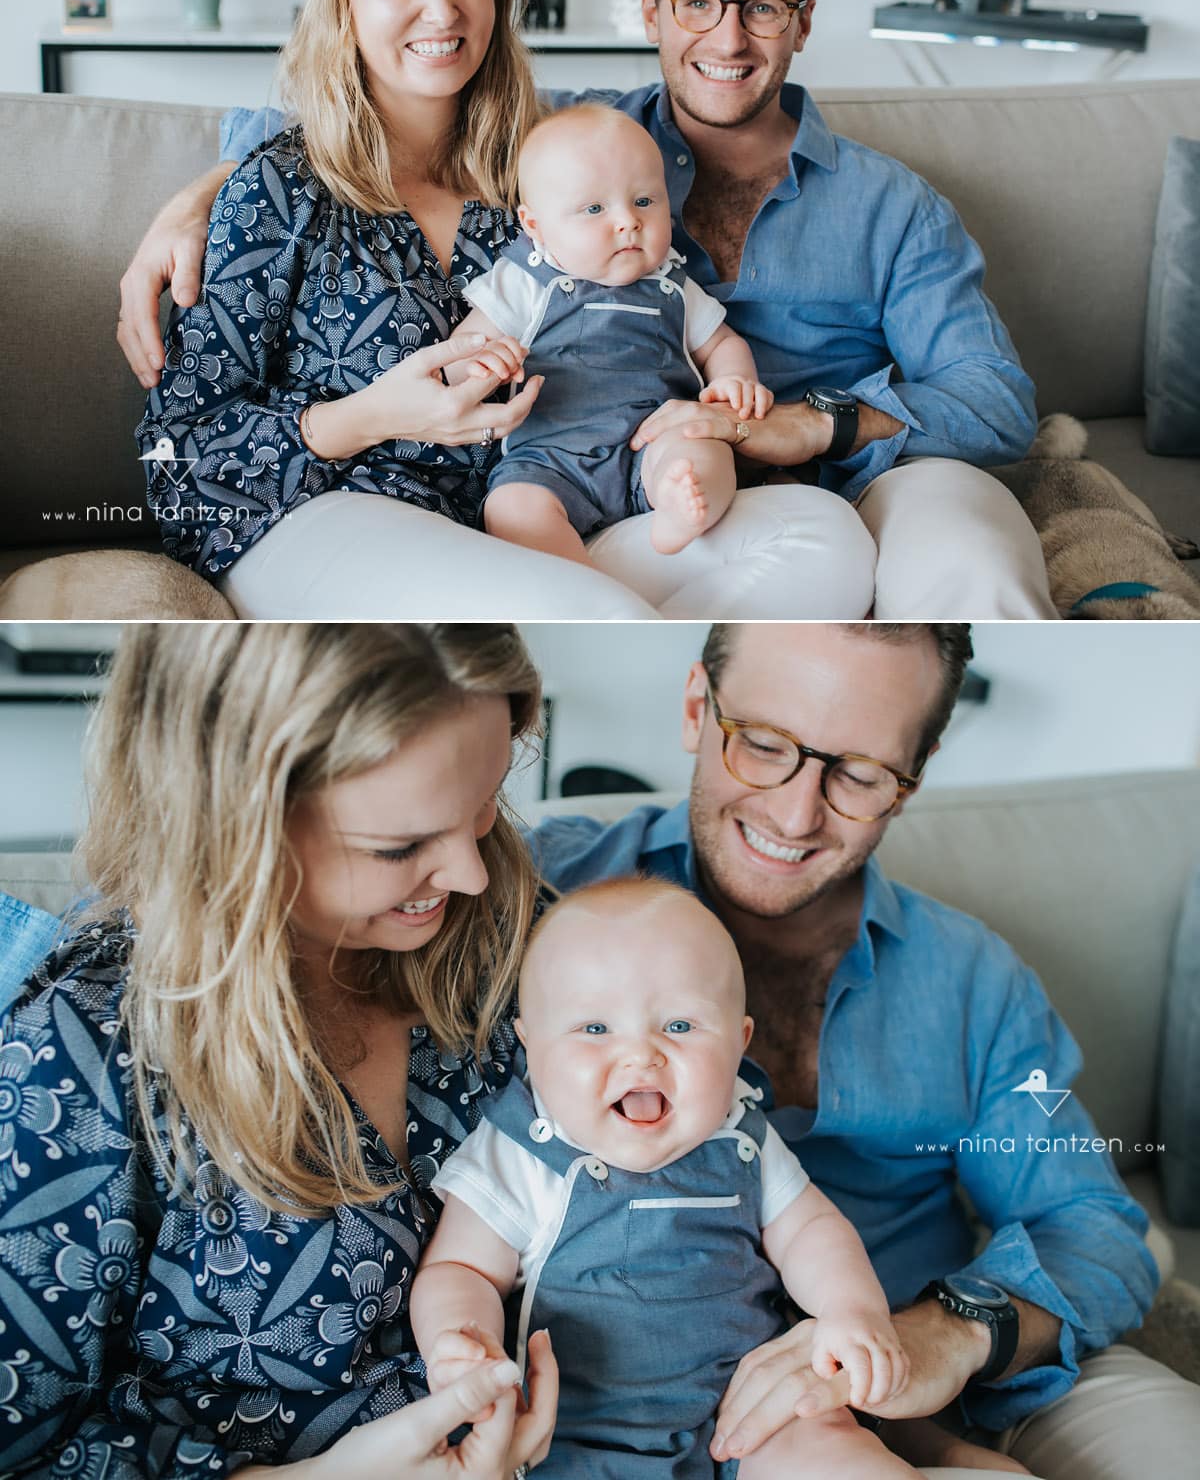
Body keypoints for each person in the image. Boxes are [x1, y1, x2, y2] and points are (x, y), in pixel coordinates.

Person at [120, 0, 1051, 621]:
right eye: (697, 3)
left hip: (666, 485)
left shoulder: (526, 157)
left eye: (762, 7)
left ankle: (599, 612)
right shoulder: (571, 150)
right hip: (398, 512)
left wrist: (802, 423)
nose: (727, 36)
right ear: (650, 13)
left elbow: (997, 398)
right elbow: (317, 133)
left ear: (802, 22)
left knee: (829, 544)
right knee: (601, 602)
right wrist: (203, 197)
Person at [531, 622, 1189, 1478]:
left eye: (860, 774)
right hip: (624, 1413)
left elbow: (1093, 1225)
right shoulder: (536, 900)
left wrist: (946, 1336)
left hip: (949, 1387)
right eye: (763, 745)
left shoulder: (971, 979)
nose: (795, 815)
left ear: (913, 778)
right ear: (698, 708)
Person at [0, 619, 560, 1477]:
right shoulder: (78, 1058)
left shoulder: (536, 943)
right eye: (399, 847)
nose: (472, 873)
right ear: (230, 825)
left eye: (484, 801)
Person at [412, 876, 1020, 1479]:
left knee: (838, 1454)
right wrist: (459, 1341)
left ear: (738, 1045)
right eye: (594, 1029)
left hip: (755, 1417)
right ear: (531, 1046)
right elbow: (460, 1269)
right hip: (575, 1436)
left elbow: (810, 1228)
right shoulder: (520, 1152)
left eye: (679, 1027)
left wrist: (853, 1312)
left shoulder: (740, 1133)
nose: (640, 1055)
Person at [458, 105, 771, 564]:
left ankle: (679, 507)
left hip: (655, 446)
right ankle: (578, 582)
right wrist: (480, 366)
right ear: (535, 227)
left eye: (645, 201)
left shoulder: (673, 285)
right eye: (594, 208)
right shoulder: (525, 282)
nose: (628, 221)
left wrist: (733, 382)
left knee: (707, 455)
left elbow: (722, 342)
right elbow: (462, 352)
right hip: (550, 460)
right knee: (511, 508)